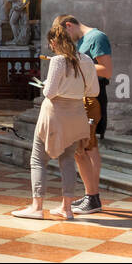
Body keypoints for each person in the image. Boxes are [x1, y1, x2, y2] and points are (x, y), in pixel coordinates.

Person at [11, 19, 99, 221]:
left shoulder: (58, 60)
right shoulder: (86, 59)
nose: (50, 46)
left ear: (56, 42)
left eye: (51, 42)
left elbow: (49, 93)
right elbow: (94, 91)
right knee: (68, 159)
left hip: (55, 114)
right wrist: (74, 90)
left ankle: (37, 207)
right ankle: (67, 209)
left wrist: (46, 85)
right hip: (76, 114)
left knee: (38, 159)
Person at [62, 15, 112, 214]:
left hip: (93, 98)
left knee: (86, 147)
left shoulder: (97, 37)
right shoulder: (83, 41)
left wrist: (76, 64)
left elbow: (106, 70)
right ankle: (90, 195)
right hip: (83, 97)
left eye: (66, 35)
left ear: (69, 25)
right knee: (85, 147)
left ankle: (93, 197)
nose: (68, 40)